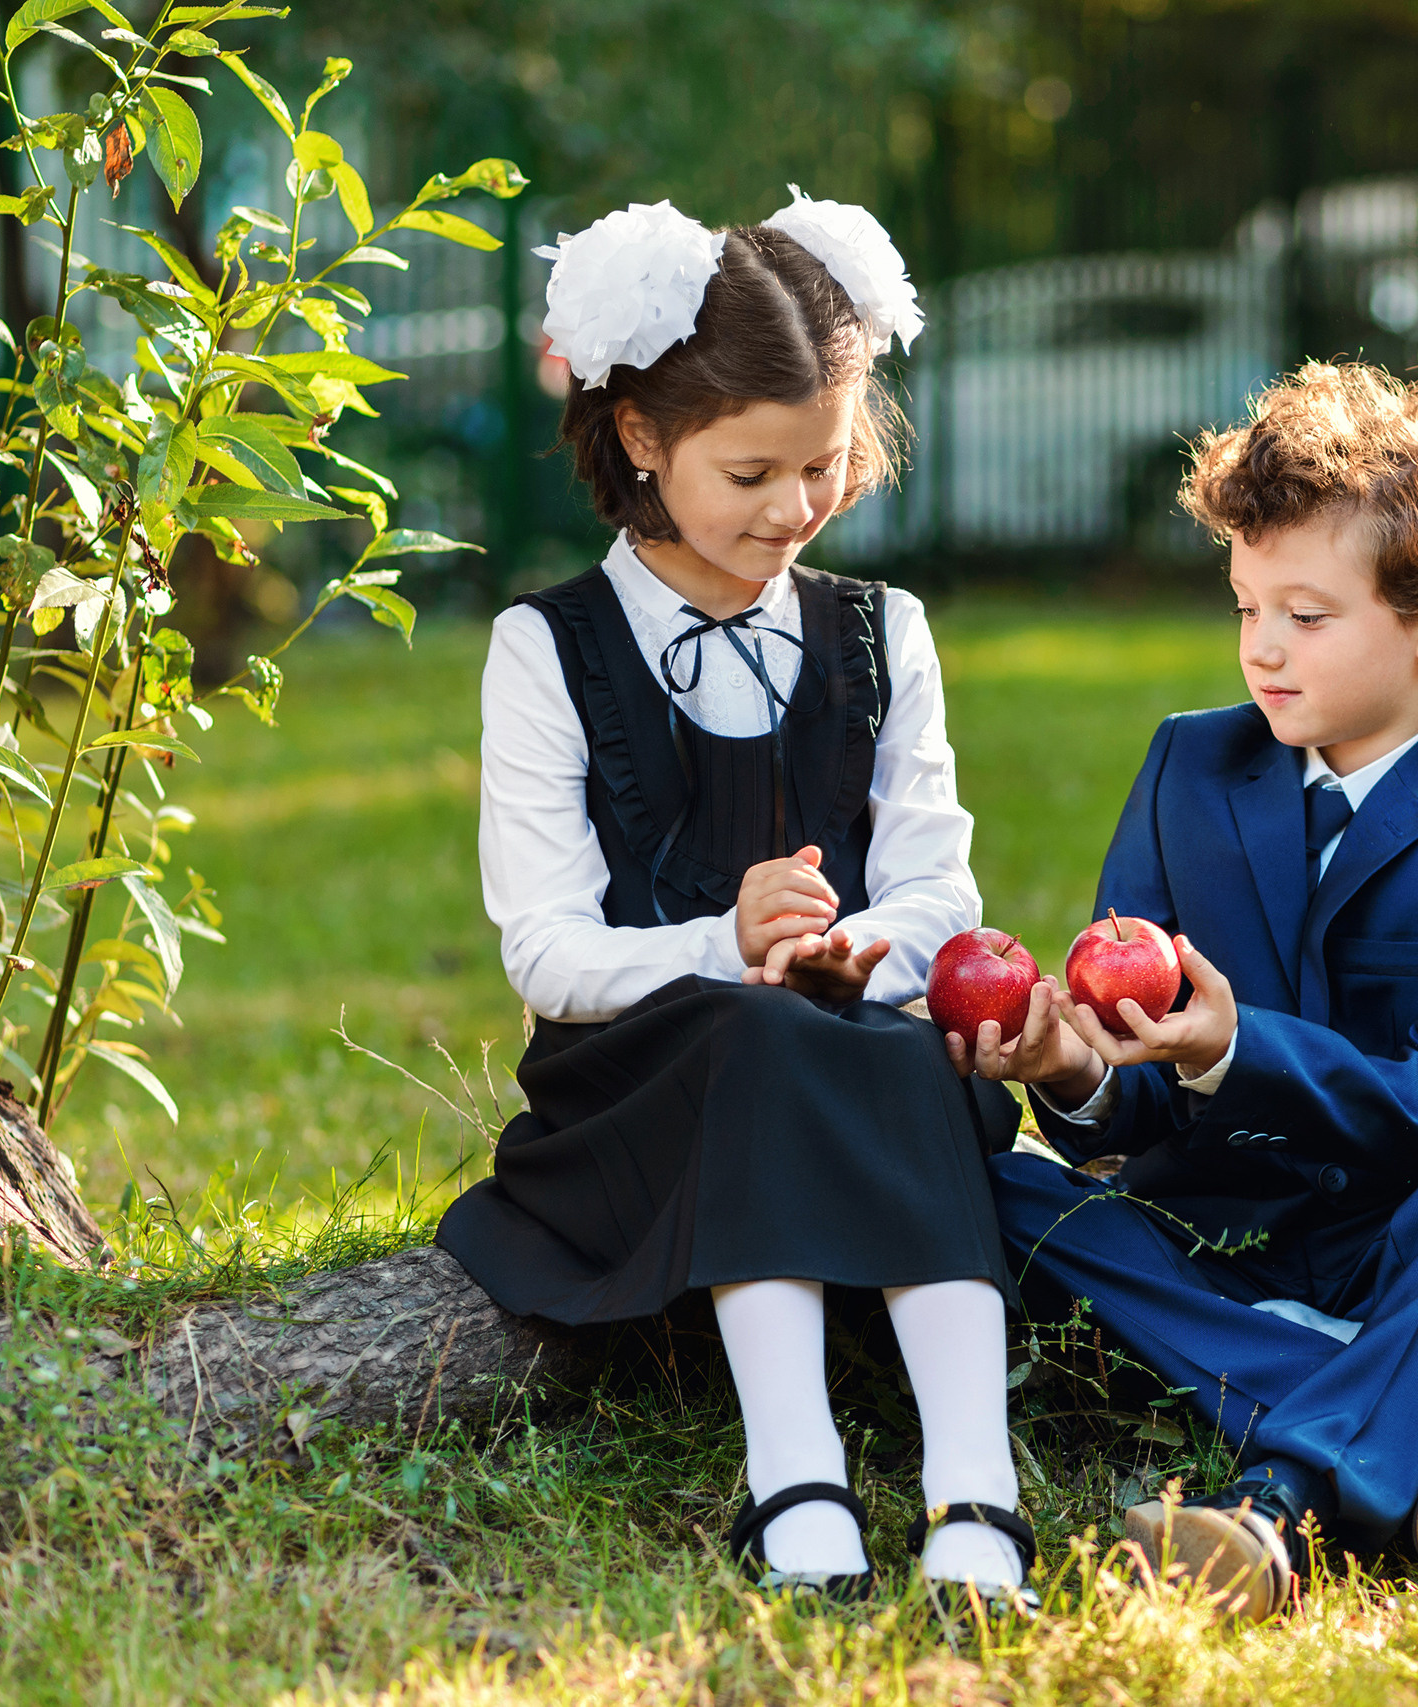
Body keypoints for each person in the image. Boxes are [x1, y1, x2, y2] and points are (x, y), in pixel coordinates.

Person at [434, 193, 1035, 1605]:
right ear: (642, 438)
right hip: (638, 1079)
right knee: (763, 1034)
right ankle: (797, 1471)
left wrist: (860, 944)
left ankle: (977, 1487)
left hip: (853, 1039)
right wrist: (725, 945)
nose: (793, 509)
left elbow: (938, 885)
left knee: (874, 1041)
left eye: (822, 465)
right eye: (751, 470)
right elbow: (549, 952)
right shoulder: (547, 648)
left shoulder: (885, 634)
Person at [955, 361, 1418, 1619]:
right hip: (1192, 1243)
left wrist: (1234, 1047)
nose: (1262, 646)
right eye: (1247, 606)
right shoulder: (1187, 766)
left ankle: (1274, 1511)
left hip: (1396, 1245)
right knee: (976, 1172)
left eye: (1306, 616)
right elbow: (1128, 1120)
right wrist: (1073, 1072)